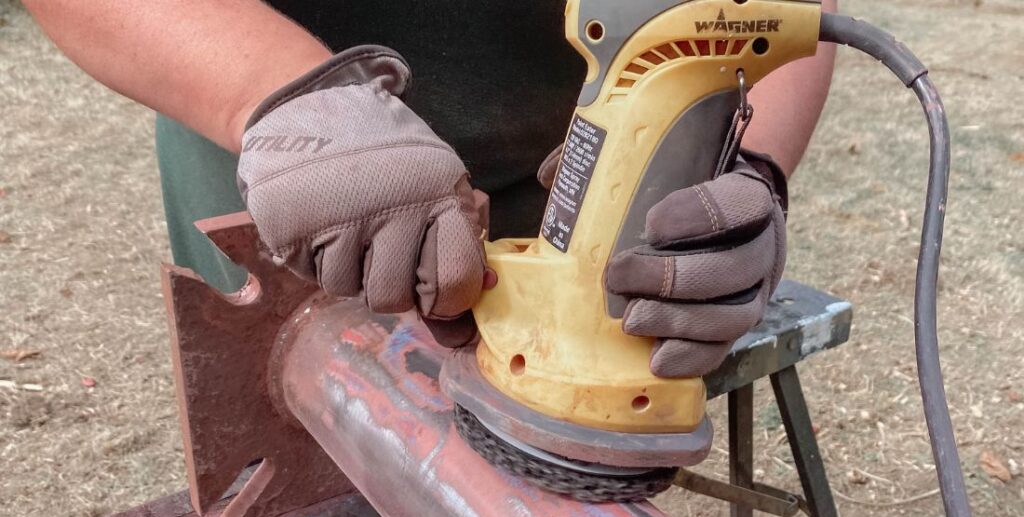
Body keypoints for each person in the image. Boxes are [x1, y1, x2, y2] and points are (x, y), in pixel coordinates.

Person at [22, 0, 836, 377]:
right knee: (291, 443)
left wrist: (744, 164)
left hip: (577, 138)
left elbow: (774, 6)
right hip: (274, 134)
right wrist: (293, 105)